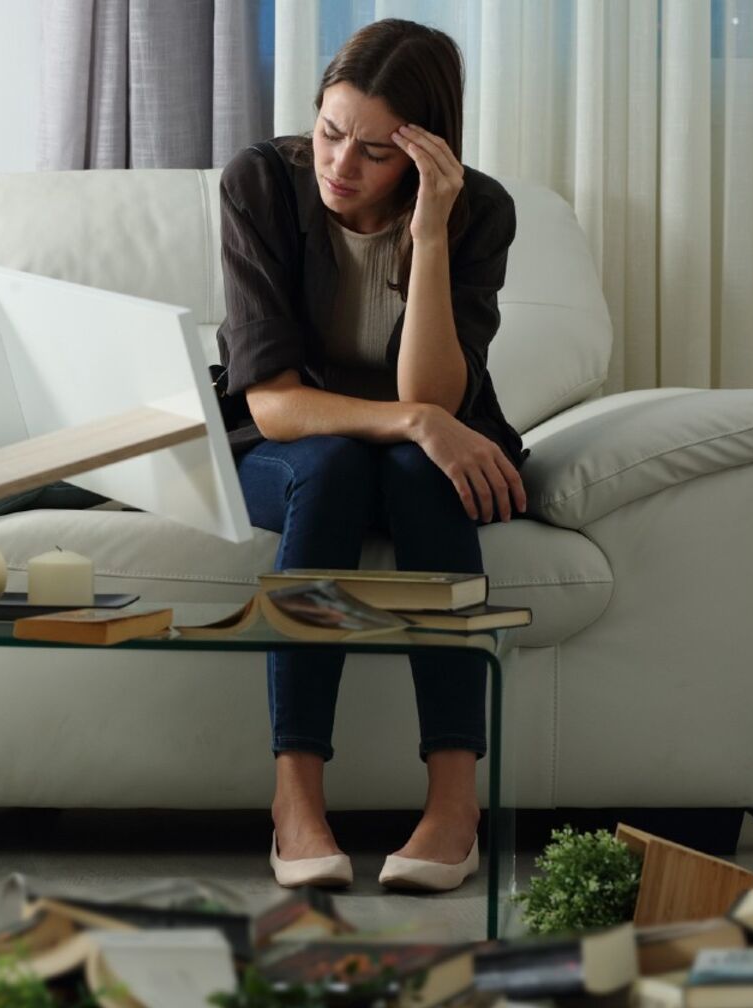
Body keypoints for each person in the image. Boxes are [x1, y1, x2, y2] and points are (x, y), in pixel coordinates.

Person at [214, 18, 528, 893]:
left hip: (414, 459)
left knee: (420, 470)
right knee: (338, 465)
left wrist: (431, 234)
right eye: (329, 132)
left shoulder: (478, 211)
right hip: (290, 451)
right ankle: (295, 800)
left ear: (425, 153)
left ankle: (455, 806)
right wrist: (415, 422)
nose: (340, 165)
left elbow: (435, 395)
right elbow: (273, 404)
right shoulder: (260, 184)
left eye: (375, 151)